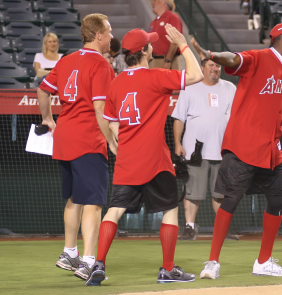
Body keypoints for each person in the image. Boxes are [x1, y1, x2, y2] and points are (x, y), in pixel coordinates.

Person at [85, 25, 203, 286]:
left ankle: (98, 263)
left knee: (114, 210)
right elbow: (197, 75)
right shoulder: (156, 76)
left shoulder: (116, 84)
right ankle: (168, 269)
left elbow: (113, 125)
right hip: (155, 159)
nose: (153, 46)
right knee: (170, 209)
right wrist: (183, 44)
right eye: (149, 44)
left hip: (127, 158)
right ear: (143, 52)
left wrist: (119, 145)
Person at [190, 21, 282, 279]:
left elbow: (277, 118)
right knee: (231, 200)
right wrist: (210, 54)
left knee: (277, 200)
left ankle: (263, 262)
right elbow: (232, 59)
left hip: (270, 148)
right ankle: (212, 262)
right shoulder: (259, 57)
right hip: (243, 145)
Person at [37, 13, 117, 282]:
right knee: (93, 203)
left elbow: (43, 90)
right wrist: (111, 140)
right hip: (88, 139)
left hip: (65, 138)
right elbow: (99, 109)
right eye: (108, 31)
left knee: (74, 199)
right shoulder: (102, 65)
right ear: (98, 35)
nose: (110, 36)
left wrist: (48, 119)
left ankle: (69, 252)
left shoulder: (66, 60)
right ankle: (88, 261)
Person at [171, 58, 237, 241]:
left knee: (221, 194)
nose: (215, 69)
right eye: (211, 65)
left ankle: (223, 229)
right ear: (202, 68)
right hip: (195, 151)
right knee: (192, 192)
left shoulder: (230, 88)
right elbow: (179, 119)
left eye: (217, 65)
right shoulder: (190, 87)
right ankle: (190, 228)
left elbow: (236, 118)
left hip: (223, 149)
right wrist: (178, 143)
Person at [149, 0, 183, 70]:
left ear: (163, 2)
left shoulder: (172, 17)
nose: (152, 3)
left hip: (168, 60)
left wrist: (168, 60)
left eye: (155, 1)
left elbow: (175, 40)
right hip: (154, 60)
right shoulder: (154, 22)